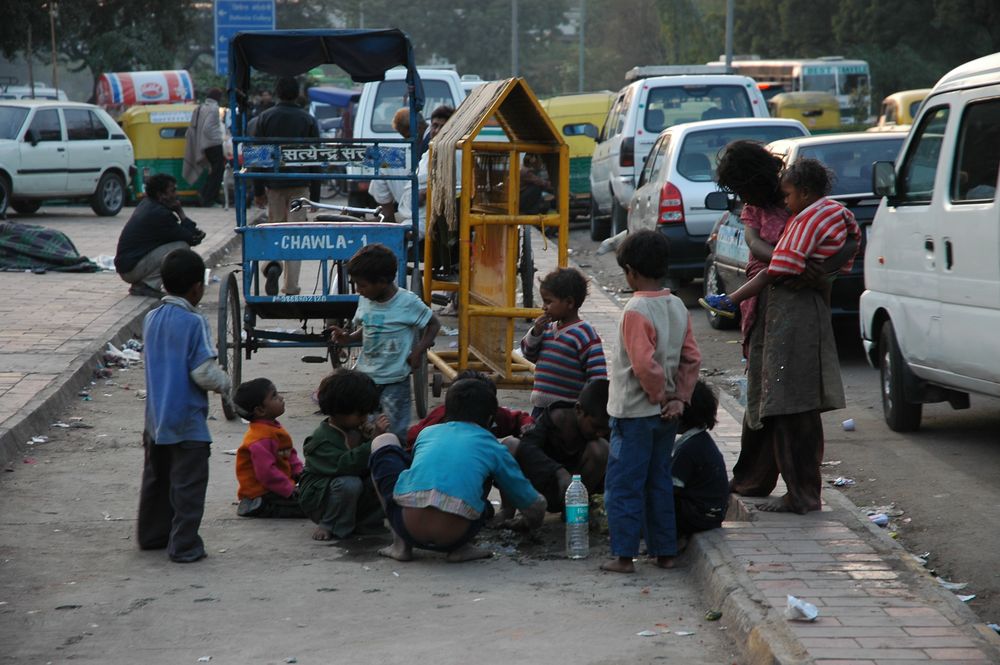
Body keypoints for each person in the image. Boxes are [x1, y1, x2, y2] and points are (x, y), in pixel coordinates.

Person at [711, 148, 856, 515]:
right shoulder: (763, 206)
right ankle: (754, 478)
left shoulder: (804, 201)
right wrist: (788, 257)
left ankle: (802, 492)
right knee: (764, 396)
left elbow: (850, 242)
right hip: (764, 304)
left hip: (797, 305)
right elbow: (753, 241)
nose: (741, 196)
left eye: (743, 187)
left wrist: (818, 267)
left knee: (792, 399)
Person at [601, 230, 701, 574]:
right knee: (658, 482)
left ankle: (624, 554)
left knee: (624, 484)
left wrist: (659, 398)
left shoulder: (636, 309)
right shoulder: (676, 305)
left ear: (630, 271)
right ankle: (664, 550)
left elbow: (644, 365)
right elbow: (691, 358)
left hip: (635, 413)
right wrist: (679, 399)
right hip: (667, 415)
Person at [368, 378, 547, 562]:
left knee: (383, 440)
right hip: (456, 535)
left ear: (446, 411)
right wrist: (530, 523)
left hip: (407, 527)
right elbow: (533, 504)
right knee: (477, 473)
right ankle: (462, 548)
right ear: (490, 419)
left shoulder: (427, 433)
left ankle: (400, 545)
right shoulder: (492, 446)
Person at [136, 248, 231, 563]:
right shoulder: (193, 321)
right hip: (187, 422)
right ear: (197, 287)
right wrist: (227, 384)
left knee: (156, 480)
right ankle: (185, 545)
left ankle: (152, 536)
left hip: (156, 420)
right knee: (188, 487)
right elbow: (202, 372)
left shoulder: (151, 318)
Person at [699, 158, 860, 319]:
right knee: (823, 312)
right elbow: (754, 243)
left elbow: (798, 251)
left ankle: (731, 300)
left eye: (745, 191)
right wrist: (808, 267)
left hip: (797, 284)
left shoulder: (808, 217)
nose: (744, 199)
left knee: (765, 276)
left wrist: (797, 265)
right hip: (811, 279)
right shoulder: (833, 208)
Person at [328, 244, 441, 443]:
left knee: (394, 429)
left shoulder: (407, 302)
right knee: (364, 427)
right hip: (366, 378)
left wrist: (418, 351)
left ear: (382, 282)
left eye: (362, 285)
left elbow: (433, 324)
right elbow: (370, 328)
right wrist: (349, 337)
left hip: (395, 379)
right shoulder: (365, 300)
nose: (358, 290)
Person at [499, 378, 611, 529]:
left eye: (605, 429)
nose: (600, 433)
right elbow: (527, 447)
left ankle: (573, 510)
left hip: (570, 493)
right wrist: (558, 471)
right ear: (578, 410)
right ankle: (507, 510)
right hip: (537, 487)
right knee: (510, 445)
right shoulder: (554, 418)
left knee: (602, 449)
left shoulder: (602, 432)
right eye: (596, 427)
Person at [298, 370, 389, 541]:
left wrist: (376, 437)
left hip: (349, 496)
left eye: (366, 414)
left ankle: (365, 523)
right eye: (360, 414)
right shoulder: (320, 441)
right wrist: (372, 442)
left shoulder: (357, 429)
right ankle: (329, 524)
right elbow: (346, 465)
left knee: (385, 474)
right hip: (321, 499)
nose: (365, 418)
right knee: (349, 483)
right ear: (338, 411)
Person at [253, 76, 320, 295]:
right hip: (300, 186)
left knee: (276, 228)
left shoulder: (264, 118)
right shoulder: (307, 120)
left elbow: (257, 156)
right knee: (295, 234)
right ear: (297, 94)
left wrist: (258, 189)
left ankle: (273, 265)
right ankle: (291, 287)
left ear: (277, 93)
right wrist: (315, 196)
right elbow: (316, 157)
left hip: (274, 186)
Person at [520, 267, 607, 418]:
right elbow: (528, 354)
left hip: (568, 411)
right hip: (540, 409)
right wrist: (535, 332)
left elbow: (597, 377)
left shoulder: (584, 334)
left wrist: (589, 408)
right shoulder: (546, 328)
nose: (543, 307)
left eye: (548, 302)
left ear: (569, 302)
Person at [114, 174, 206, 298]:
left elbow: (187, 233)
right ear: (161, 195)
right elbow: (190, 238)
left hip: (128, 266)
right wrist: (180, 212)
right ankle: (147, 285)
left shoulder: (149, 204)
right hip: (131, 270)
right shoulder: (159, 214)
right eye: (172, 191)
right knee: (181, 248)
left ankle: (145, 283)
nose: (176, 194)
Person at [405, 369, 533, 450]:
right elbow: (411, 438)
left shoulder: (494, 413)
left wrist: (526, 426)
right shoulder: (439, 420)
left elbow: (518, 418)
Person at [232, 378, 304, 518]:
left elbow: (289, 453)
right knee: (310, 506)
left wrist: (300, 472)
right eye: (274, 396)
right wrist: (290, 489)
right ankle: (257, 507)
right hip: (263, 493)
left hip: (277, 486)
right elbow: (266, 473)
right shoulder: (260, 438)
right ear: (260, 410)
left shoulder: (272, 428)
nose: (281, 398)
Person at [672, 380, 729, 549]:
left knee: (657, 498)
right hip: (713, 513)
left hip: (700, 516)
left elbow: (671, 488)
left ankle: (668, 543)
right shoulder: (700, 441)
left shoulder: (689, 449)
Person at [370, 107, 428, 239]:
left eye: (405, 136)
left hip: (415, 222)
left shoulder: (388, 157)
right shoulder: (435, 146)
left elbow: (386, 210)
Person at [182, 88, 225, 208]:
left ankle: (207, 195)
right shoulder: (214, 108)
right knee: (217, 172)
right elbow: (208, 127)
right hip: (213, 144)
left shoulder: (202, 107)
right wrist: (217, 139)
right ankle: (209, 198)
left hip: (204, 144)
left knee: (213, 172)